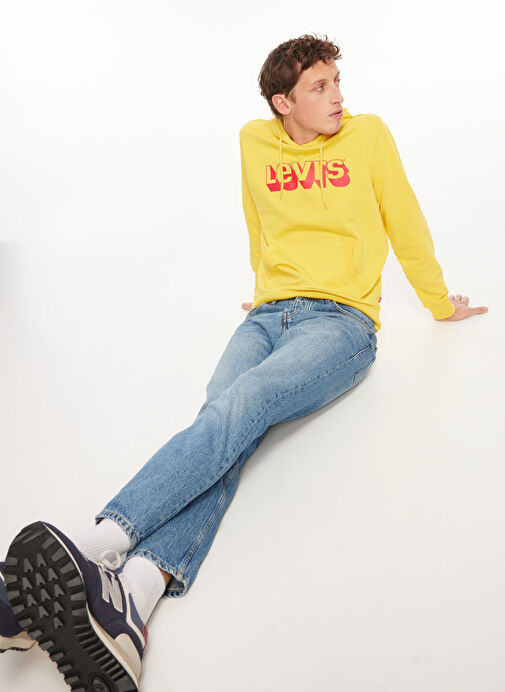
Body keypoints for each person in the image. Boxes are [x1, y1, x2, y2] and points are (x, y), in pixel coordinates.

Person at [0, 33, 488, 691]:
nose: (338, 97)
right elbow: (258, 219)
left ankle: (93, 548)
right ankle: (133, 601)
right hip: (266, 315)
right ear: (283, 102)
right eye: (319, 86)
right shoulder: (254, 142)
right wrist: (266, 290)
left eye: (337, 82)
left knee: (241, 406)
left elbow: (405, 218)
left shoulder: (368, 135)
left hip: (340, 322)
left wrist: (437, 301)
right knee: (222, 425)